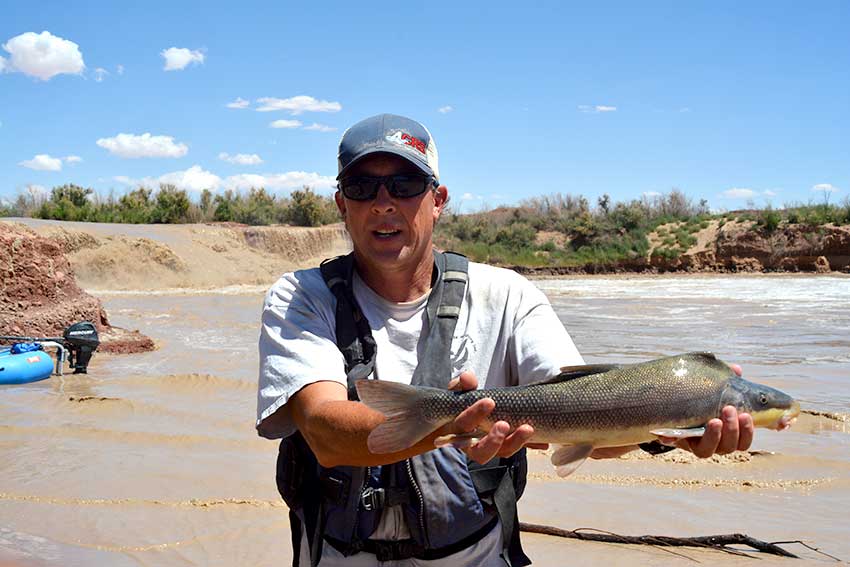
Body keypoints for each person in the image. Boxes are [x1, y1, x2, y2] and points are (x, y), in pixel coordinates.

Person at [256, 113, 755, 566]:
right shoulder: (302, 296)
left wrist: (673, 427)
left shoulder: (509, 294)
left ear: (438, 200)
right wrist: (458, 425)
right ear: (342, 204)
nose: (383, 203)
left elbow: (586, 424)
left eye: (404, 184)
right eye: (363, 187)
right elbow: (323, 431)